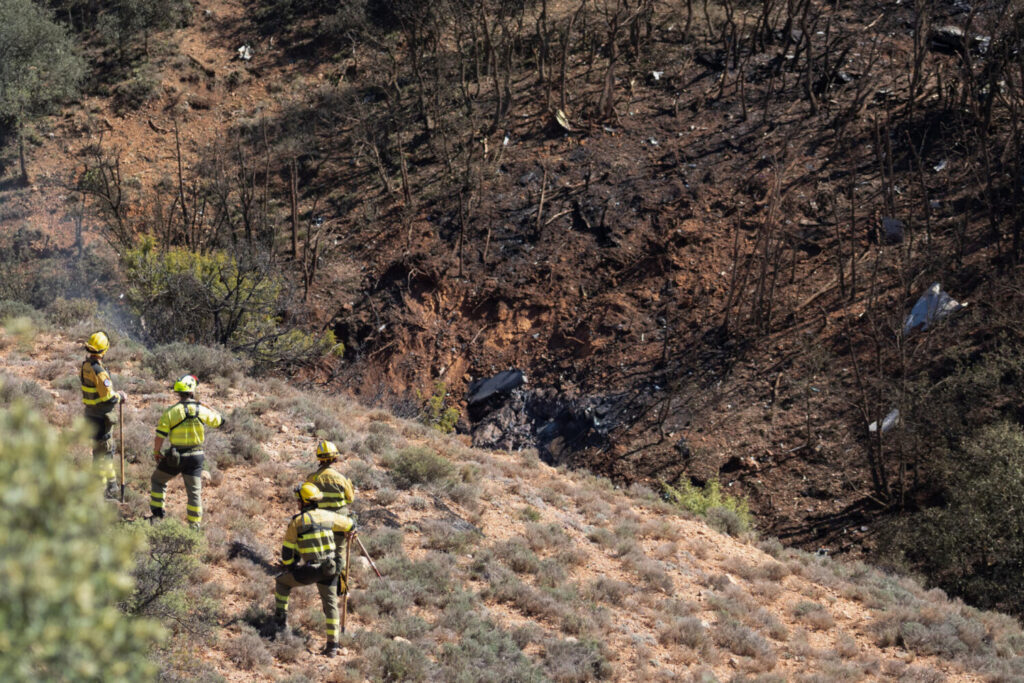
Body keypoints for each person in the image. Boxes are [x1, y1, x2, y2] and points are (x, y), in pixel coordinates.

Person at [274, 483, 355, 657]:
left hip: (310, 570)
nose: (297, 503)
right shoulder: (328, 515)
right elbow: (350, 524)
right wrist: (352, 526)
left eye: (298, 500)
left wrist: (290, 566)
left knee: (282, 582)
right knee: (330, 604)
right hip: (331, 568)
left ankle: (279, 622)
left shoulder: (297, 522)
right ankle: (333, 646)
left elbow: (287, 552)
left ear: (304, 502)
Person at [149, 374, 224, 529]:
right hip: (196, 457)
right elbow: (220, 421)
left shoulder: (171, 412)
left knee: (158, 480)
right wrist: (208, 407)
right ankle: (194, 527)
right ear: (192, 392)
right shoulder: (201, 410)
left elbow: (159, 436)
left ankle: (157, 515)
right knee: (194, 493)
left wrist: (157, 452)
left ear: (179, 393)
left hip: (175, 457)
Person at [80, 331, 126, 499]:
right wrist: (120, 396)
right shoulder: (99, 370)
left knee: (101, 452)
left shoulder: (86, 366)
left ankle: (111, 487)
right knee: (104, 454)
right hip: (101, 418)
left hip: (90, 415)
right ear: (104, 350)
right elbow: (108, 397)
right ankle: (100, 493)